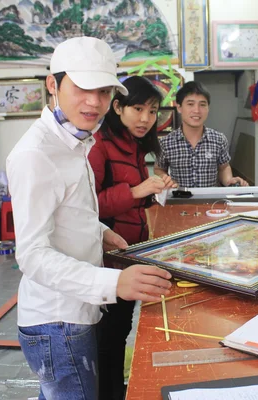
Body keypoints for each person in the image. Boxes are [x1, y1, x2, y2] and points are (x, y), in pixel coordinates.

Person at [6, 37, 172, 400]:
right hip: (57, 320)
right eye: (82, 87)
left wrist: (99, 231)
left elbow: (67, 210)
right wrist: (114, 283)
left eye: (102, 90)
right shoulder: (36, 154)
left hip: (77, 310)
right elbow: (32, 255)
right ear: (53, 84)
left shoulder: (77, 140)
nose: (94, 102)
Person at [88, 75, 176, 399]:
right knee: (107, 339)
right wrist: (139, 189)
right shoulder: (99, 146)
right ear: (117, 107)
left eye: (152, 111)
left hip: (130, 255)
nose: (145, 118)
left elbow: (132, 200)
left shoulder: (135, 146)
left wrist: (154, 190)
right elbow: (88, 205)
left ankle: (114, 390)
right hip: (107, 262)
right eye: (137, 108)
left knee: (120, 331)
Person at [154, 81, 249, 188]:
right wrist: (165, 179)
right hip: (180, 200)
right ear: (179, 107)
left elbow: (224, 167)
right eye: (190, 104)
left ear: (208, 108)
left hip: (211, 201)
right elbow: (159, 169)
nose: (197, 110)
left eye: (202, 105)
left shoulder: (219, 139)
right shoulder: (166, 142)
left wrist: (229, 181)